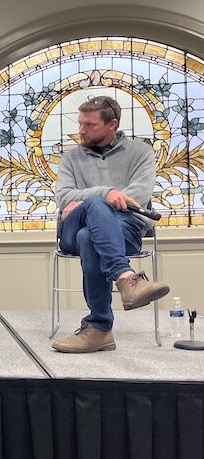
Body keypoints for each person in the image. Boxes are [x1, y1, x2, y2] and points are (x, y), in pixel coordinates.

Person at [52, 95, 170, 353]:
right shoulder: (71, 158)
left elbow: (137, 196)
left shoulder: (141, 153)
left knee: (89, 236)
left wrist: (84, 198)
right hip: (73, 227)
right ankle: (127, 277)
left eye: (89, 125)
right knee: (96, 205)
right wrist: (104, 193)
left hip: (125, 227)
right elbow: (62, 197)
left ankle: (100, 329)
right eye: (80, 123)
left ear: (112, 124)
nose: (81, 130)